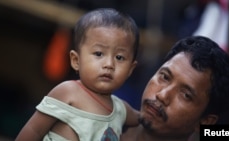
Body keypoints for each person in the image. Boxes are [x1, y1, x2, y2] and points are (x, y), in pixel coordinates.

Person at [16, 8, 140, 141]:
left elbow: (146, 119)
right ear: (76, 60)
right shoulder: (68, 91)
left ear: (130, 70)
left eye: (119, 57)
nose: (109, 64)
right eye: (98, 54)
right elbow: (34, 131)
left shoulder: (121, 110)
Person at [120, 36, 229, 141]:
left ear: (205, 121)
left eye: (186, 95)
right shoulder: (105, 120)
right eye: (165, 77)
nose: (162, 95)